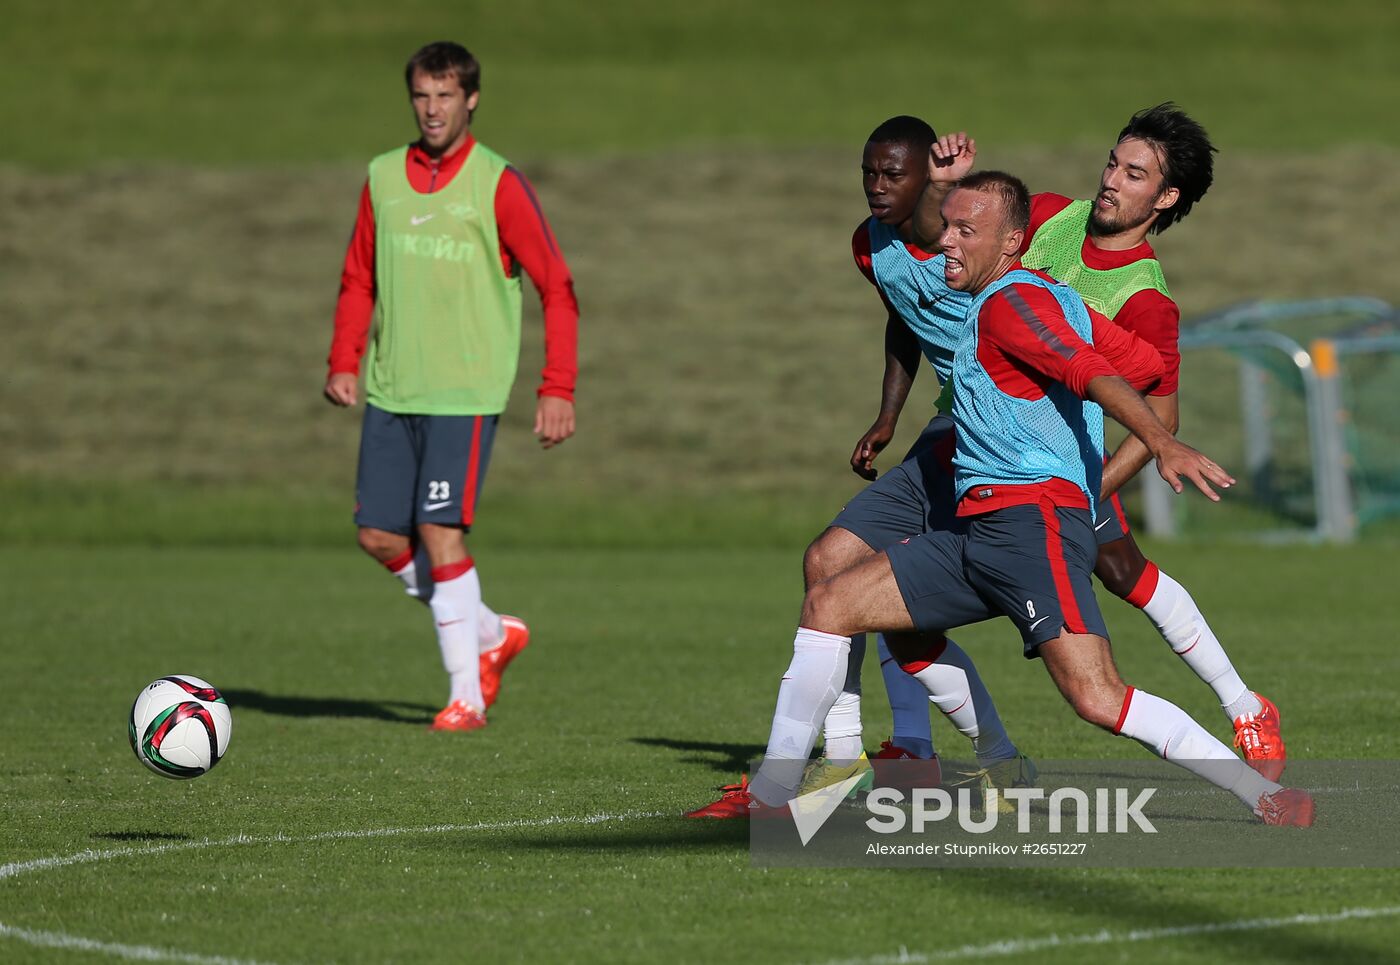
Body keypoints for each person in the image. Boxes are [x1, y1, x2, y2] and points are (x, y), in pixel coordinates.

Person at [690, 172, 1313, 826]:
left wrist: (1158, 437)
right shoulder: (1048, 297)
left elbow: (1092, 369)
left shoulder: (1011, 305)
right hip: (977, 529)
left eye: (966, 232)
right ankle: (777, 792)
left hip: (1031, 531)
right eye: (947, 227)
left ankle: (1261, 793)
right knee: (831, 599)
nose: (947, 245)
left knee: (1098, 697)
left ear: (1013, 240)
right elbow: (1142, 364)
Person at [910, 106, 1284, 777]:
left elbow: (1160, 420)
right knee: (863, 572)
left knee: (1124, 575)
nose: (1111, 179)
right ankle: (913, 744)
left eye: (1133, 173)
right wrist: (947, 190)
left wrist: (1094, 490)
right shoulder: (1051, 214)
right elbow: (955, 246)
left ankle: (1244, 705)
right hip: (983, 438)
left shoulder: (1146, 299)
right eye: (1114, 161)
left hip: (1052, 463)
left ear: (1165, 198)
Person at [324, 41, 579, 732]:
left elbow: (556, 285)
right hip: (391, 388)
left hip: (463, 394)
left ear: (471, 100)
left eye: (445, 95)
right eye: (421, 96)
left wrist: (557, 387)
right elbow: (358, 278)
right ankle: (492, 631)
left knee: (439, 531)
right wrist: (343, 359)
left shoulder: (497, 183)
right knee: (378, 534)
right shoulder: (382, 176)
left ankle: (465, 695)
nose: (432, 109)